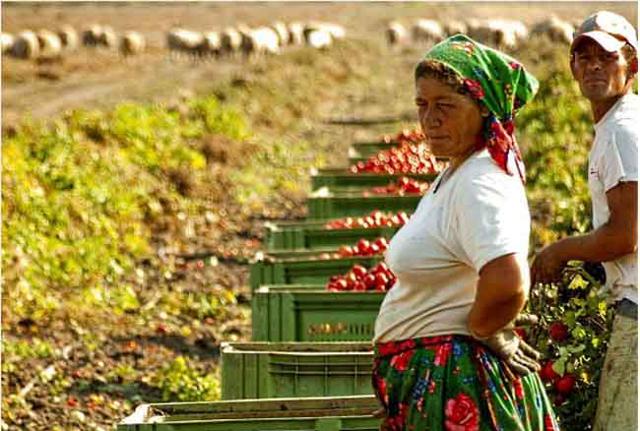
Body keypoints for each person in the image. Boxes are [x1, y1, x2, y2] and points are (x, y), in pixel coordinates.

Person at [372, 34, 560, 431]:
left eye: (446, 106)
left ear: (483, 108)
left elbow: (508, 281)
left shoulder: (481, 183)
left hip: (460, 385)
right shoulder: (459, 171)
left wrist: (488, 330)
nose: (430, 119)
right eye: (422, 105)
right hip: (444, 379)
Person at [530, 11, 638, 431]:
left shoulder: (622, 133)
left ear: (632, 64)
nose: (594, 65)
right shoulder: (619, 126)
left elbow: (627, 235)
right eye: (584, 55)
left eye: (608, 57)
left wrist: (560, 250)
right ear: (572, 66)